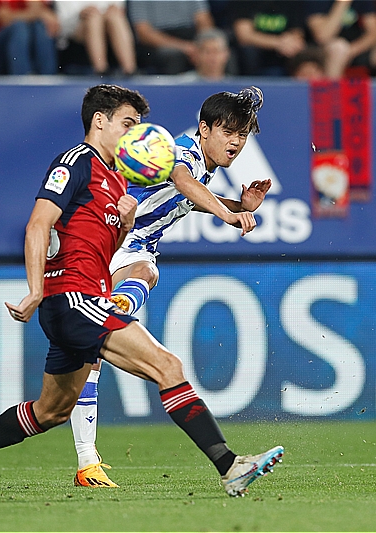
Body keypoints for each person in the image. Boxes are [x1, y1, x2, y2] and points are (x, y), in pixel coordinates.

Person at [0, 84, 283, 499]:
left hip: (80, 296)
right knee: (166, 366)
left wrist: (127, 222)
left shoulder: (115, 177)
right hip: (73, 297)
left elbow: (106, 239)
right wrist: (34, 289)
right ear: (100, 120)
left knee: (51, 411)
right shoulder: (76, 162)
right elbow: (38, 225)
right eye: (128, 123)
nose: (136, 133)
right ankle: (229, 466)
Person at [66, 87, 273, 488]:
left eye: (243, 134)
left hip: (124, 246)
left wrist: (238, 204)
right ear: (204, 128)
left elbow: (190, 195)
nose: (236, 141)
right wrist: (227, 217)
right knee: (145, 274)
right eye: (228, 131)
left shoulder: (202, 165)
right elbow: (181, 181)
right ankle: (115, 308)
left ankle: (85, 462)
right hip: (114, 242)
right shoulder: (182, 150)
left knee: (83, 367)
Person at [304, 0, 376, 79]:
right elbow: (323, 36)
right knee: (339, 48)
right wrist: (342, 3)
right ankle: (334, 101)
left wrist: (351, 51)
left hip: (356, 49)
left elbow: (375, 34)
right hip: (326, 50)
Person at [127, 0, 214, 75]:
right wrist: (186, 48)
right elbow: (144, 32)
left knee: (216, 51)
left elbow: (203, 20)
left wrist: (202, 47)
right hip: (157, 43)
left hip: (191, 37)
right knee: (172, 56)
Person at [0, 0, 59, 75]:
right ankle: (22, 79)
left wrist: (37, 13)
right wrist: (38, 14)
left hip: (24, 43)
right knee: (19, 27)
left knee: (40, 26)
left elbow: (38, 9)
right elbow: (5, 19)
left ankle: (48, 79)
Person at [53, 0, 137, 76]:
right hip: (76, 28)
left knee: (115, 17)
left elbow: (118, 6)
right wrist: (81, 14)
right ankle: (101, 70)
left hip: (108, 23)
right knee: (94, 19)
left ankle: (130, 70)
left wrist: (113, 9)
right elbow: (63, 23)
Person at [229, 0, 308, 77]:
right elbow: (244, 36)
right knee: (249, 51)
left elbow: (297, 32)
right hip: (256, 51)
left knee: (299, 48)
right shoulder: (244, 2)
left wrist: (290, 42)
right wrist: (278, 43)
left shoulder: (292, 2)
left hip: (283, 52)